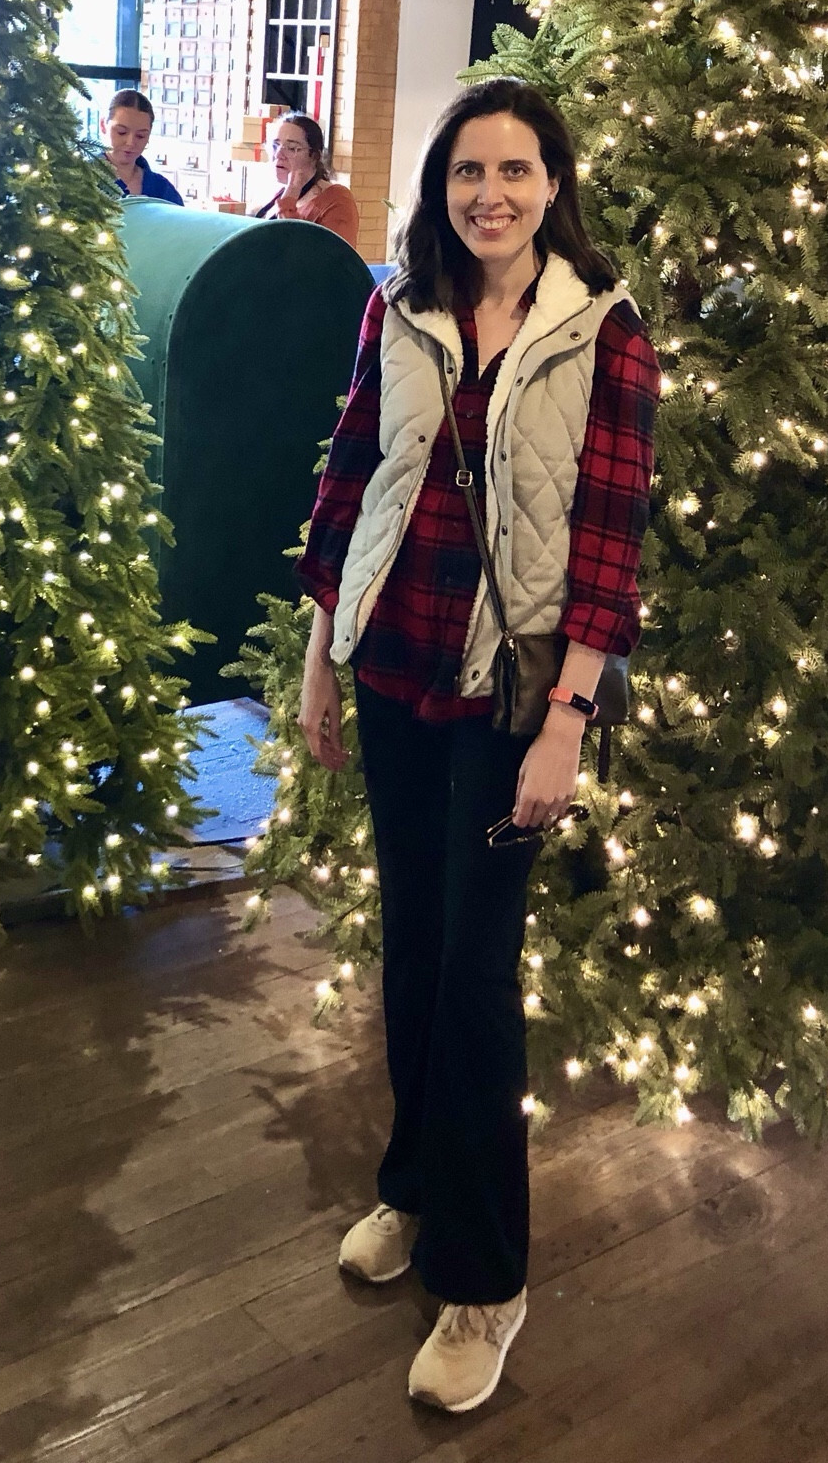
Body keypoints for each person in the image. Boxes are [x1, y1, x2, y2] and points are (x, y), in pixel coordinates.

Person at [294, 79, 659, 1414]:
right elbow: (351, 478)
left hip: (512, 699)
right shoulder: (399, 307)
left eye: (514, 170)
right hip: (394, 667)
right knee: (413, 951)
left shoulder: (605, 333)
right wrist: (317, 657)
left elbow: (609, 553)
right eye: (468, 172)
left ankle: (485, 1279)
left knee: (476, 979)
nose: (489, 194)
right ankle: (410, 1185)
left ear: (555, 184)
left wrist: (568, 720)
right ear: (440, 186)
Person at [254, 111, 360, 249]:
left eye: (292, 148)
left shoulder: (337, 199)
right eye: (275, 146)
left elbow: (332, 261)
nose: (279, 154)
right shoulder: (277, 194)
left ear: (314, 156)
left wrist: (290, 198)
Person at [103, 90, 183, 203]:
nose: (130, 142)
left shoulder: (162, 188)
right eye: (121, 132)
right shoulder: (80, 179)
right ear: (103, 125)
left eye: (140, 136)